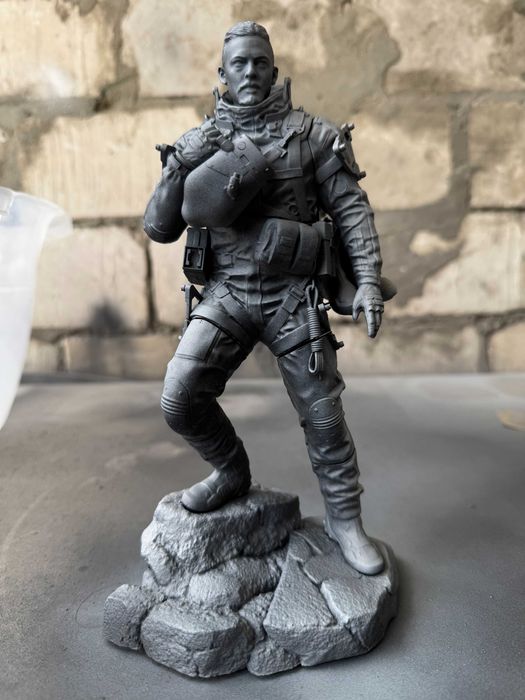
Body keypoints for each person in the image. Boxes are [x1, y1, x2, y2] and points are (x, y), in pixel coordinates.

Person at [144, 21, 390, 575]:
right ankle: (230, 471)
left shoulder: (313, 136)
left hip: (292, 297)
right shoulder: (200, 139)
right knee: (179, 396)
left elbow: (352, 211)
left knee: (324, 416)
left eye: (260, 62)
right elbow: (159, 227)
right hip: (227, 293)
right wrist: (179, 164)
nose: (251, 71)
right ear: (223, 73)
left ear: (274, 70)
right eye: (240, 63)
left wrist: (369, 281)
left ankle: (344, 519)